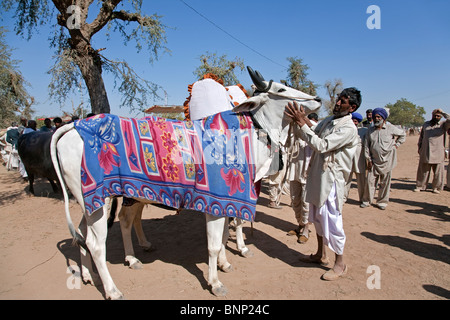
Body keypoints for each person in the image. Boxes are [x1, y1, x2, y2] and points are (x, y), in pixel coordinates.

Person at [285, 87, 361, 281]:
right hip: (318, 175)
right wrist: (300, 120)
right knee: (316, 215)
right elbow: (311, 132)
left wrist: (302, 123)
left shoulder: (348, 128)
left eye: (342, 101)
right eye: (338, 99)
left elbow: (321, 145)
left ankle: (340, 264)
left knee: (332, 220)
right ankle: (321, 254)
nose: (337, 103)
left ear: (351, 107)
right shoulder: (328, 121)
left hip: (332, 180)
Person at [361, 108, 405, 210]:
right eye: (375, 117)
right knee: (370, 181)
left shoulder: (391, 128)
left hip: (387, 160)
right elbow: (366, 145)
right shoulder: (370, 130)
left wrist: (396, 145)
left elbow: (403, 135)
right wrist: (368, 159)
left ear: (383, 118)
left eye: (378, 117)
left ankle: (382, 202)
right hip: (374, 161)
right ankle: (366, 201)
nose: (376, 119)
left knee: (385, 182)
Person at [286, 113, 317, 243]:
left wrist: (305, 122)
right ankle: (300, 225)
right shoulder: (293, 127)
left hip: (307, 171)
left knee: (306, 202)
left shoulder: (315, 126)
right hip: (295, 168)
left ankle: (305, 229)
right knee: (295, 199)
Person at [414, 109, 450, 194]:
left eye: (438, 116)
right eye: (435, 115)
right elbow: (422, 137)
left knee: (438, 172)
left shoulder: (443, 125)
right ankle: (420, 186)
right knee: (423, 170)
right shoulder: (426, 124)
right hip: (425, 150)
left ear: (440, 117)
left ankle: (436, 188)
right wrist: (420, 147)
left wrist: (442, 112)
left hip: (438, 151)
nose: (436, 117)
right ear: (432, 115)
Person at [344, 112, 368, 203]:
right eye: (352, 121)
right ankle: (343, 198)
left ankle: (362, 198)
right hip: (347, 159)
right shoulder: (345, 130)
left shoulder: (363, 131)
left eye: (355, 121)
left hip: (359, 159)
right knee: (346, 180)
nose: (354, 123)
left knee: (361, 180)